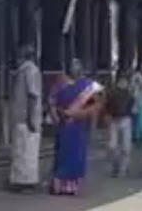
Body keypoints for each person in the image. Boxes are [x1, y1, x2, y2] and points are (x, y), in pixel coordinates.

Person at [48, 58, 104, 196]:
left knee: (77, 156)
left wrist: (83, 114)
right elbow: (51, 103)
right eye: (72, 66)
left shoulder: (87, 85)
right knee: (62, 155)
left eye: (77, 66)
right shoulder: (60, 83)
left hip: (79, 125)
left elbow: (98, 103)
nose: (75, 69)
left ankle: (71, 187)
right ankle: (58, 186)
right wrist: (56, 117)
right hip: (64, 125)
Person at [8, 44, 43, 191]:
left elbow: (32, 95)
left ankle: (25, 182)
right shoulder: (27, 71)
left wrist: (30, 118)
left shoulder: (29, 71)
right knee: (24, 151)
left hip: (26, 117)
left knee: (24, 151)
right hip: (25, 117)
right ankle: (23, 181)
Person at [104, 73, 135, 177]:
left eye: (125, 82)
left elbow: (134, 108)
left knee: (126, 147)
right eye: (121, 82)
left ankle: (123, 168)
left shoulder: (130, 95)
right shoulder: (112, 94)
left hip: (126, 120)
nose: (123, 84)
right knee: (113, 146)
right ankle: (117, 166)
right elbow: (107, 107)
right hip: (115, 120)